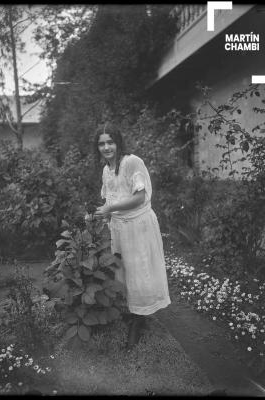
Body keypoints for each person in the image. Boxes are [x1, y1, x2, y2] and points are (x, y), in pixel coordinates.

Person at [94, 122, 171, 350]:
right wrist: (104, 215)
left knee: (140, 273)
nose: (106, 147)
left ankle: (139, 322)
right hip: (119, 228)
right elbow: (111, 199)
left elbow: (139, 197)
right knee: (124, 273)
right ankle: (135, 313)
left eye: (110, 142)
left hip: (138, 226)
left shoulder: (131, 162)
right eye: (101, 143)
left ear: (118, 143)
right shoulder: (107, 170)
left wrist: (110, 208)